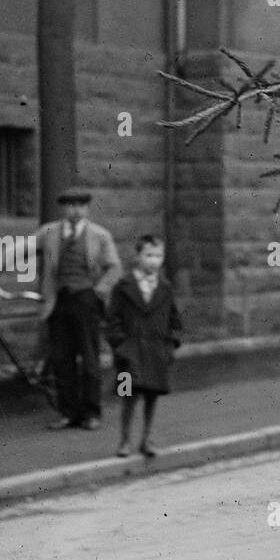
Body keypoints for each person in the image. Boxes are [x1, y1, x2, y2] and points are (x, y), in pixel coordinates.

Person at [36, 186, 121, 431]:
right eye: (70, 205)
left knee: (89, 358)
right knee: (62, 359)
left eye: (80, 205)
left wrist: (98, 291)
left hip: (86, 300)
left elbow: (114, 268)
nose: (75, 210)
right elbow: (22, 249)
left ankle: (92, 413)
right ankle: (68, 413)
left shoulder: (100, 235)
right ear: (63, 208)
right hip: (58, 301)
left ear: (86, 208)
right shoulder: (49, 232)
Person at [106, 234, 182, 458]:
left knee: (151, 396)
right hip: (129, 353)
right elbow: (112, 320)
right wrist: (120, 345)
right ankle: (124, 441)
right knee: (128, 397)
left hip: (156, 353)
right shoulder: (123, 286)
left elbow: (174, 320)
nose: (153, 261)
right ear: (138, 256)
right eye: (148, 255)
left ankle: (146, 439)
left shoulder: (165, 288)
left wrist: (170, 346)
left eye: (158, 256)